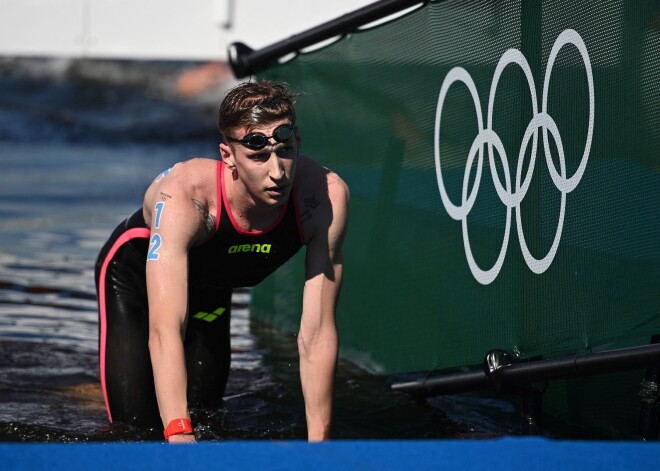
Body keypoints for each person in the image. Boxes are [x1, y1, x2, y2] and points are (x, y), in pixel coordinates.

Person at [94, 80, 349, 443]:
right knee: (139, 432)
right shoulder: (186, 198)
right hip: (136, 283)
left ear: (298, 142)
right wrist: (179, 434)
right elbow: (166, 329)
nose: (278, 172)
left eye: (286, 150)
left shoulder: (325, 197)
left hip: (212, 287)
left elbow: (317, 332)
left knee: (210, 419)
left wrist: (319, 445)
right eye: (258, 156)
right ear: (227, 156)